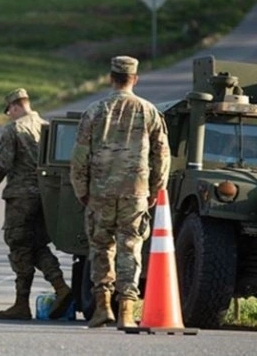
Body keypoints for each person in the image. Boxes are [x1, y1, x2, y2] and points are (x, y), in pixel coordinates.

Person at [69, 56, 170, 329]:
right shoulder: (149, 111)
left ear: (111, 78)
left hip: (99, 193)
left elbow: (79, 157)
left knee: (101, 248)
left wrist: (82, 190)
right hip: (135, 193)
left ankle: (103, 307)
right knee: (130, 248)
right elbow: (162, 155)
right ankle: (126, 309)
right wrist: (156, 190)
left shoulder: (93, 111)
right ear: (135, 79)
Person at [0, 88, 72, 321]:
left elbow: (4, 163)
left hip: (21, 198)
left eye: (9, 111)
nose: (9, 116)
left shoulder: (14, 129)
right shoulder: (46, 127)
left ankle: (21, 304)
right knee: (37, 245)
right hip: (44, 196)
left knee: (19, 245)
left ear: (14, 107)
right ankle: (61, 287)